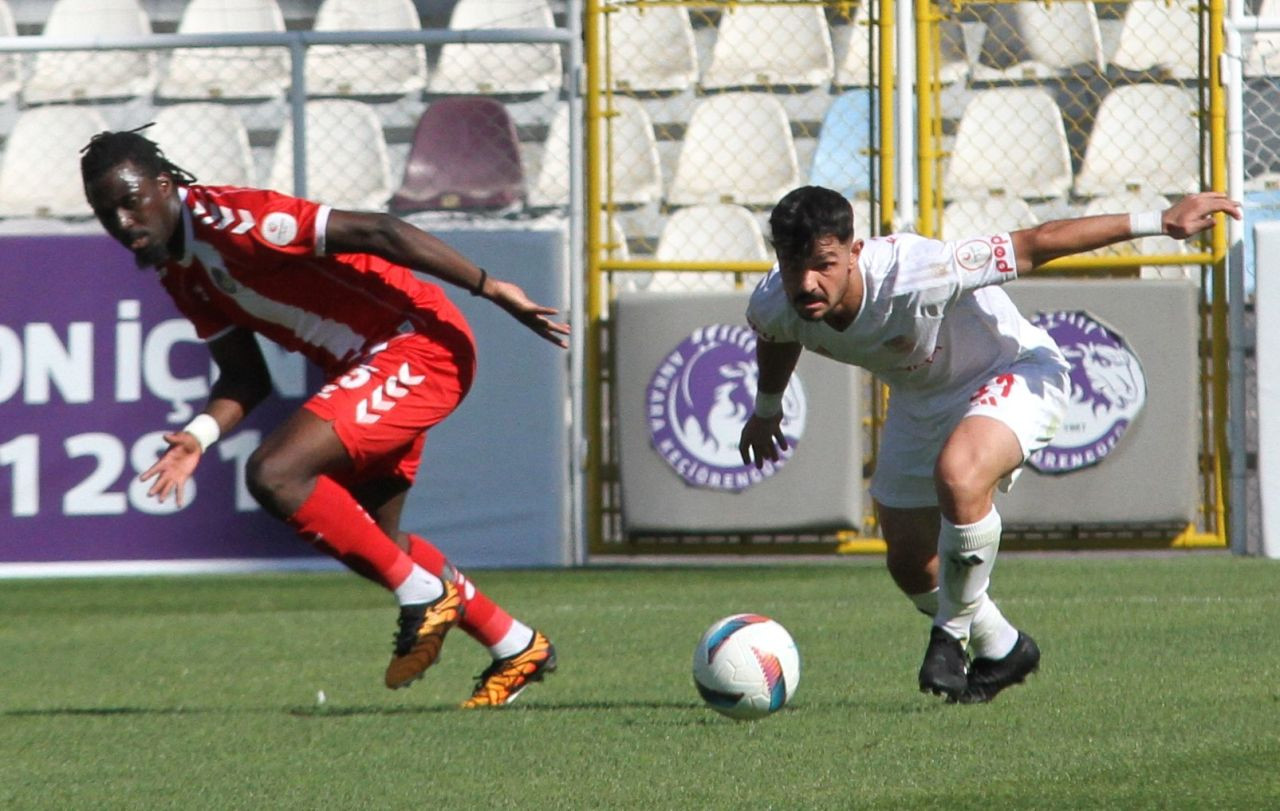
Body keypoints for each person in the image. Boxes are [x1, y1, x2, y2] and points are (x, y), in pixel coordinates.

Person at [81, 127, 569, 708]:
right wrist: (198, 436)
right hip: (370, 368)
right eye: (105, 212)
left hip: (417, 347)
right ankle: (515, 645)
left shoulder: (239, 220)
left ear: (164, 186)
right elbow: (245, 377)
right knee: (375, 543)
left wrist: (491, 287)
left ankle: (423, 594)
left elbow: (379, 230)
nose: (121, 221)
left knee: (275, 473)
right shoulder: (179, 271)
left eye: (130, 201)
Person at [739, 185, 1241, 703]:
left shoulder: (920, 271)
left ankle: (950, 637)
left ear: (855, 251)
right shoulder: (776, 302)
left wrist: (1160, 219)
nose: (807, 282)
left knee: (960, 476)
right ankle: (1003, 648)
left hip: (1015, 371)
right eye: (793, 264)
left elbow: (1037, 242)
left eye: (823, 263)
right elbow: (779, 336)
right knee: (911, 565)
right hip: (921, 398)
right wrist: (767, 408)